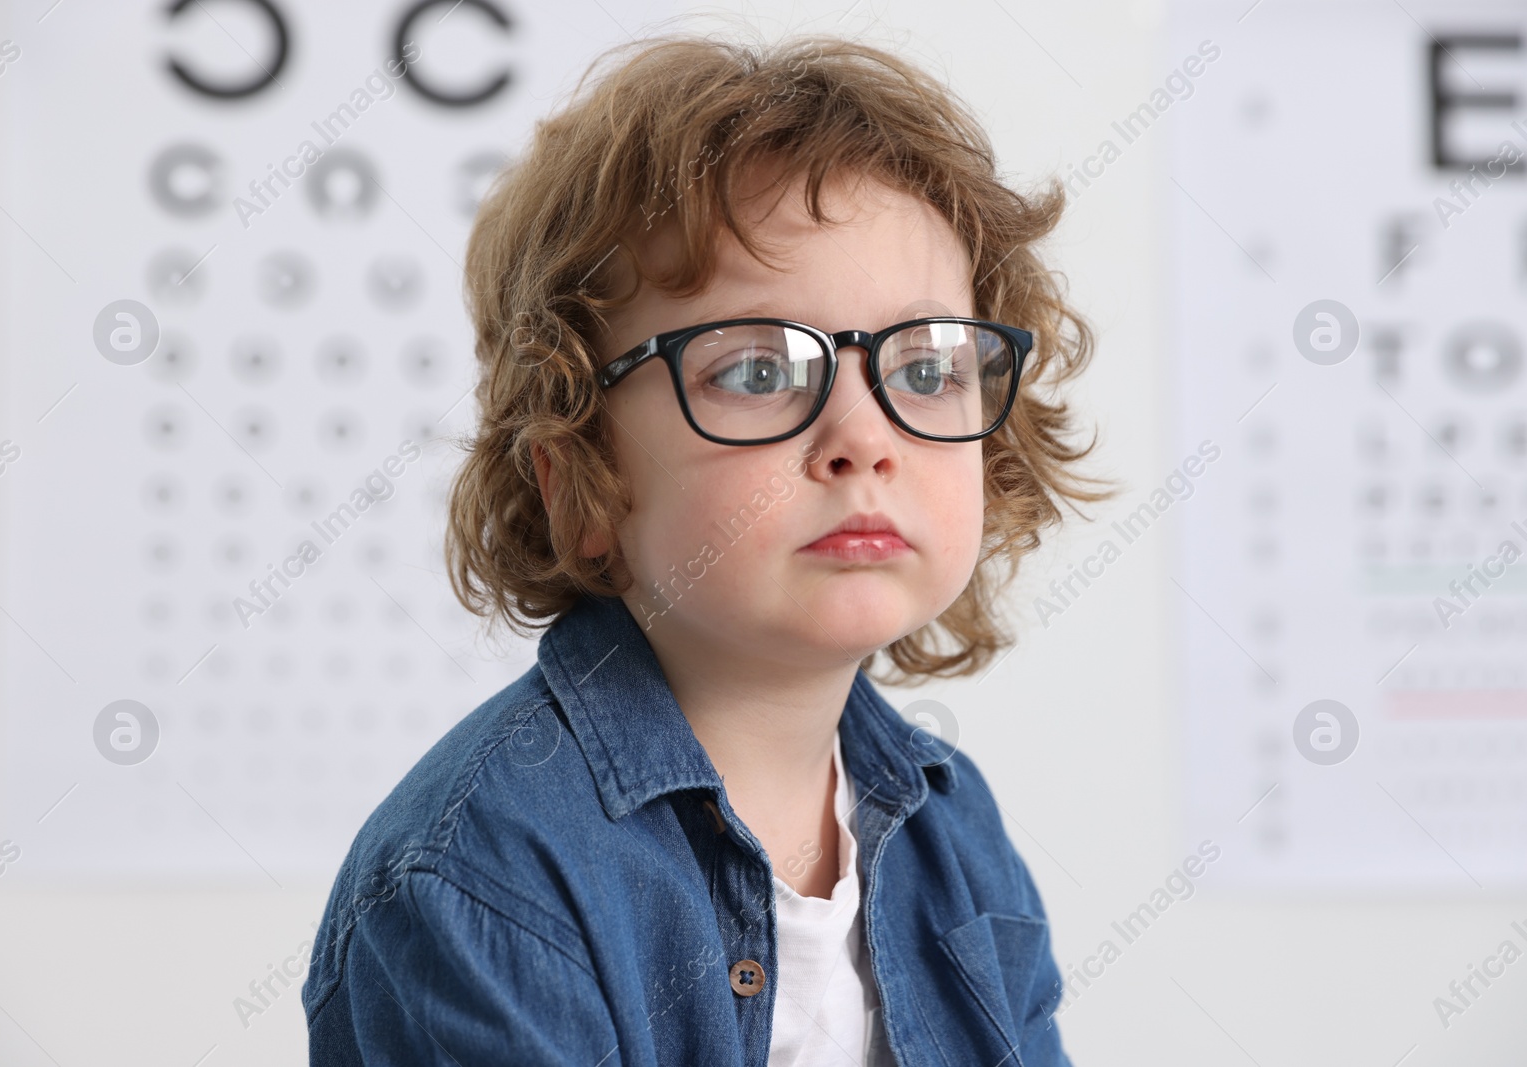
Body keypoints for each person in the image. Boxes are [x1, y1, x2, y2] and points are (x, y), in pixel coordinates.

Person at [302, 28, 1107, 1067]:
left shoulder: (954, 831)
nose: (864, 438)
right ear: (580, 474)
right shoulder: (476, 875)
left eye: (923, 367)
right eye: (759, 372)